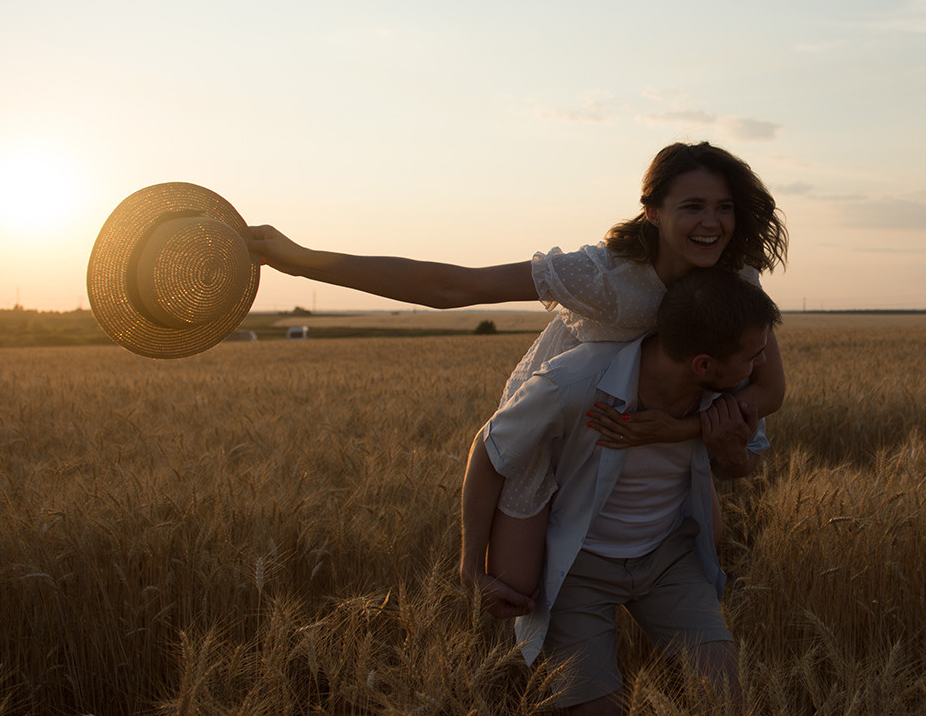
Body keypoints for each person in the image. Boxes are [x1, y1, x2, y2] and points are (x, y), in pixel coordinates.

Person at [246, 143, 788, 607]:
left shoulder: (737, 278)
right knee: (516, 586)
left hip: (658, 424)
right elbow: (455, 289)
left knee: (706, 548)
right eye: (693, 206)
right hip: (554, 422)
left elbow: (769, 389)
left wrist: (677, 430)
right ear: (652, 211)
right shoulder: (603, 275)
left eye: (724, 207)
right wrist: (304, 261)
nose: (712, 222)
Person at [459, 267, 782, 716]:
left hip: (671, 558)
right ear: (702, 364)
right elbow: (489, 452)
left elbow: (739, 469)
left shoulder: (728, 394)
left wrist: (730, 451)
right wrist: (469, 565)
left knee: (726, 695)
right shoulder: (572, 381)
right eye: (753, 356)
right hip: (578, 569)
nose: (762, 366)